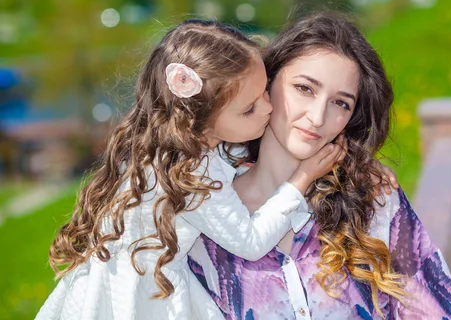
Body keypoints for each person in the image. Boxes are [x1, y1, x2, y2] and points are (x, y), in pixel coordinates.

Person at [35, 19, 346, 320]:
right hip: (148, 301)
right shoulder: (196, 173)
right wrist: (301, 179)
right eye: (249, 108)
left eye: (264, 91)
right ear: (202, 118)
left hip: (106, 284)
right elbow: (250, 242)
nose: (267, 108)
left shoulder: (162, 147)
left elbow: (233, 152)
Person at [188, 12, 451, 319]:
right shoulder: (204, 215)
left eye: (341, 103)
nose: (318, 117)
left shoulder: (373, 200)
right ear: (265, 84)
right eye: (305, 89)